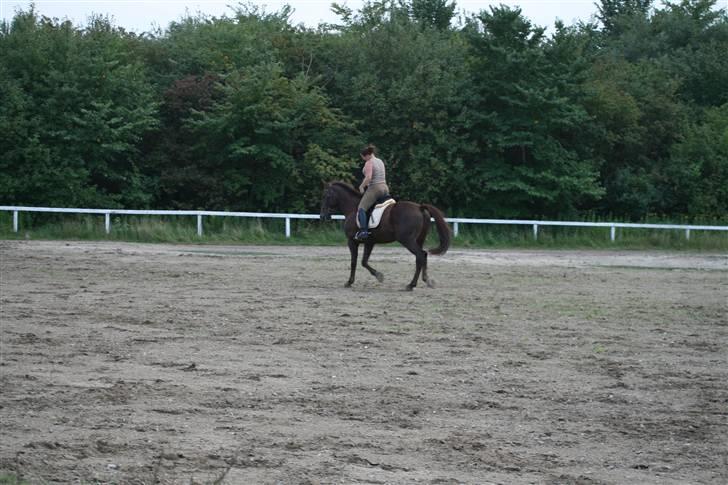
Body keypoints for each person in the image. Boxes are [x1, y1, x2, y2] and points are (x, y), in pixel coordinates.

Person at [355, 144, 390, 241]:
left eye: (362, 157)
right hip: (385, 188)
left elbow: (369, 177)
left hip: (375, 188)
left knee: (361, 208)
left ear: (366, 155)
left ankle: (363, 231)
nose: (363, 159)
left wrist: (361, 186)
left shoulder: (369, 162)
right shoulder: (380, 161)